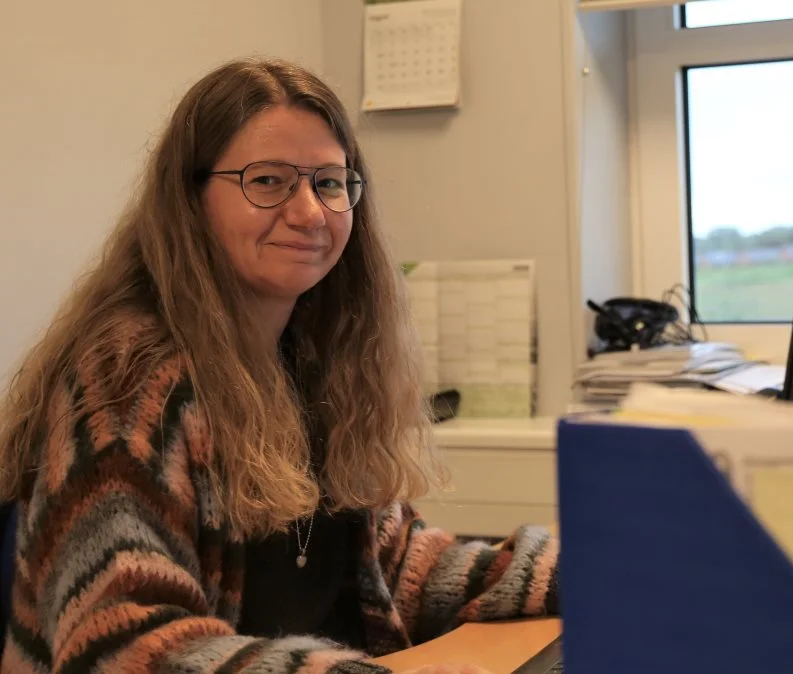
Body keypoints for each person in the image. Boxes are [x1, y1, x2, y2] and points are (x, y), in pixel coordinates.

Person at [0, 57, 558, 673]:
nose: (311, 213)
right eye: (267, 181)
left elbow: (397, 568)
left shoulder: (315, 360)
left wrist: (588, 572)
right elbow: (123, 647)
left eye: (329, 182)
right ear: (190, 201)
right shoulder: (126, 380)